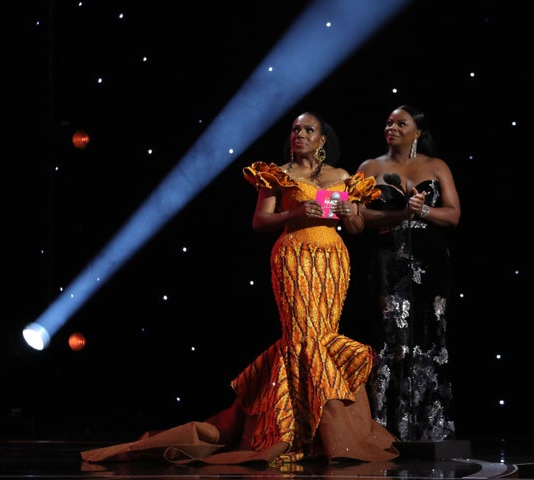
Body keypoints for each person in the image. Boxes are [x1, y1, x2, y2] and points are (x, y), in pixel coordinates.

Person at [81, 112, 398, 466]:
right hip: (293, 256)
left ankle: (321, 434)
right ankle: (295, 432)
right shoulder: (277, 174)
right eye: (295, 129)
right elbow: (260, 221)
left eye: (309, 129)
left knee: (323, 336)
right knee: (301, 338)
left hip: (333, 262)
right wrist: (294, 214)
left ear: (323, 140)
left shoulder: (342, 177)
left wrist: (346, 209)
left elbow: (355, 227)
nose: (300, 134)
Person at [356, 105, 461, 442]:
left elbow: (454, 216)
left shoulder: (436, 165)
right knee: (390, 337)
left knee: (430, 333)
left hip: (430, 258)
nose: (393, 127)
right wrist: (400, 213)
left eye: (402, 123)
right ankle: (388, 429)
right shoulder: (370, 167)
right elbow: (358, 219)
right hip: (388, 257)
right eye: (388, 122)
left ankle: (429, 427)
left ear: (417, 131)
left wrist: (424, 209)